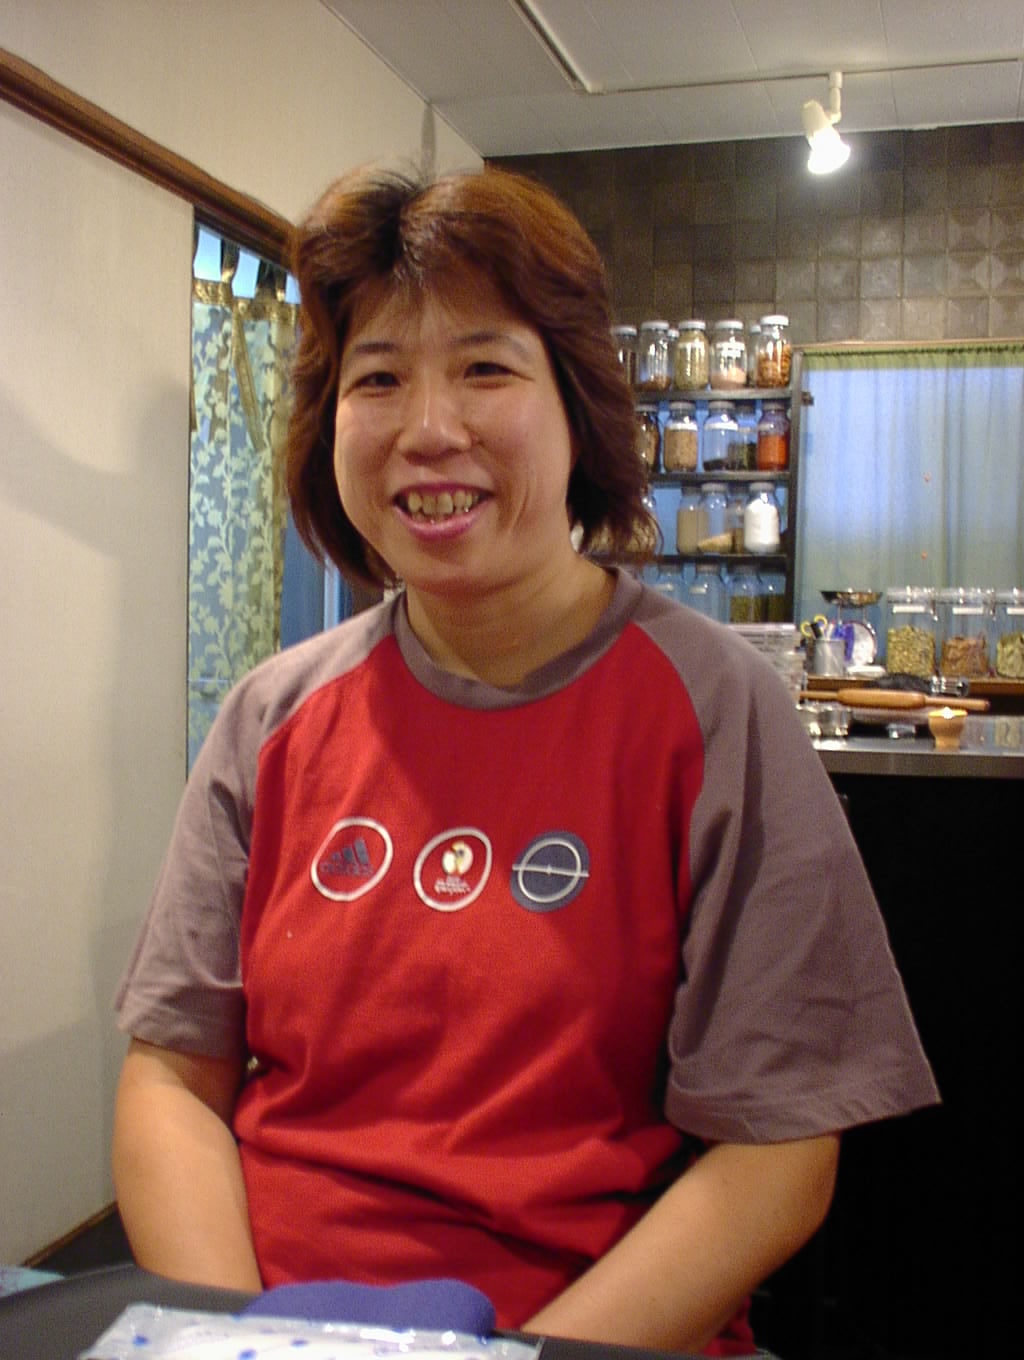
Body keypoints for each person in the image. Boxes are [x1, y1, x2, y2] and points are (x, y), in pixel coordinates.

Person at [113, 165, 938, 1356]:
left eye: (485, 369)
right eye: (377, 378)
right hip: (270, 1318)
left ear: (578, 407)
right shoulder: (270, 717)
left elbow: (777, 1154)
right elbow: (170, 1079)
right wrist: (241, 1344)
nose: (427, 428)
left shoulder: (717, 711)